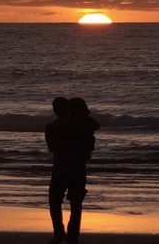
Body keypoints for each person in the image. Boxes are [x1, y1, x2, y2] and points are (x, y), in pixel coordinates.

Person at [45, 97, 99, 244]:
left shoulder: (51, 127)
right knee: (76, 205)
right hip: (78, 169)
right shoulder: (82, 125)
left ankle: (59, 232)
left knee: (55, 201)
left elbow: (52, 148)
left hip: (60, 168)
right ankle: (72, 238)